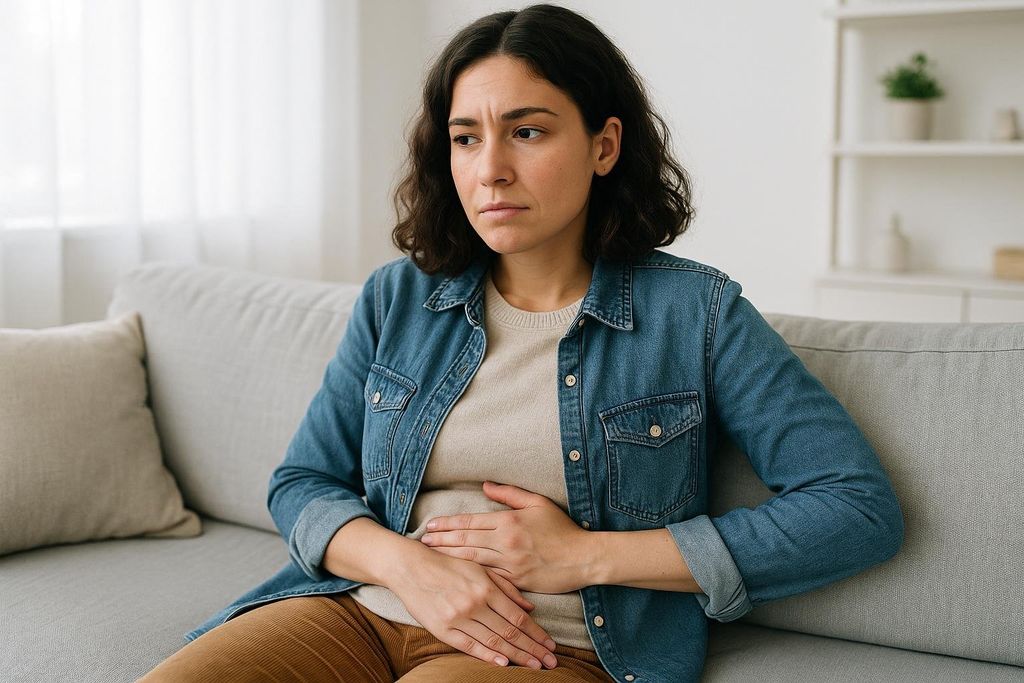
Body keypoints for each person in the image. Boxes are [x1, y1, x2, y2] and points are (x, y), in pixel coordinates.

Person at [140, 4, 904, 682]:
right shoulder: (397, 297)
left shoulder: (696, 312)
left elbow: (855, 507)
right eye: (465, 138)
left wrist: (584, 556)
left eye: (527, 132)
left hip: (551, 647)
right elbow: (302, 481)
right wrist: (409, 567)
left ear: (605, 146)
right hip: (359, 614)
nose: (491, 171)